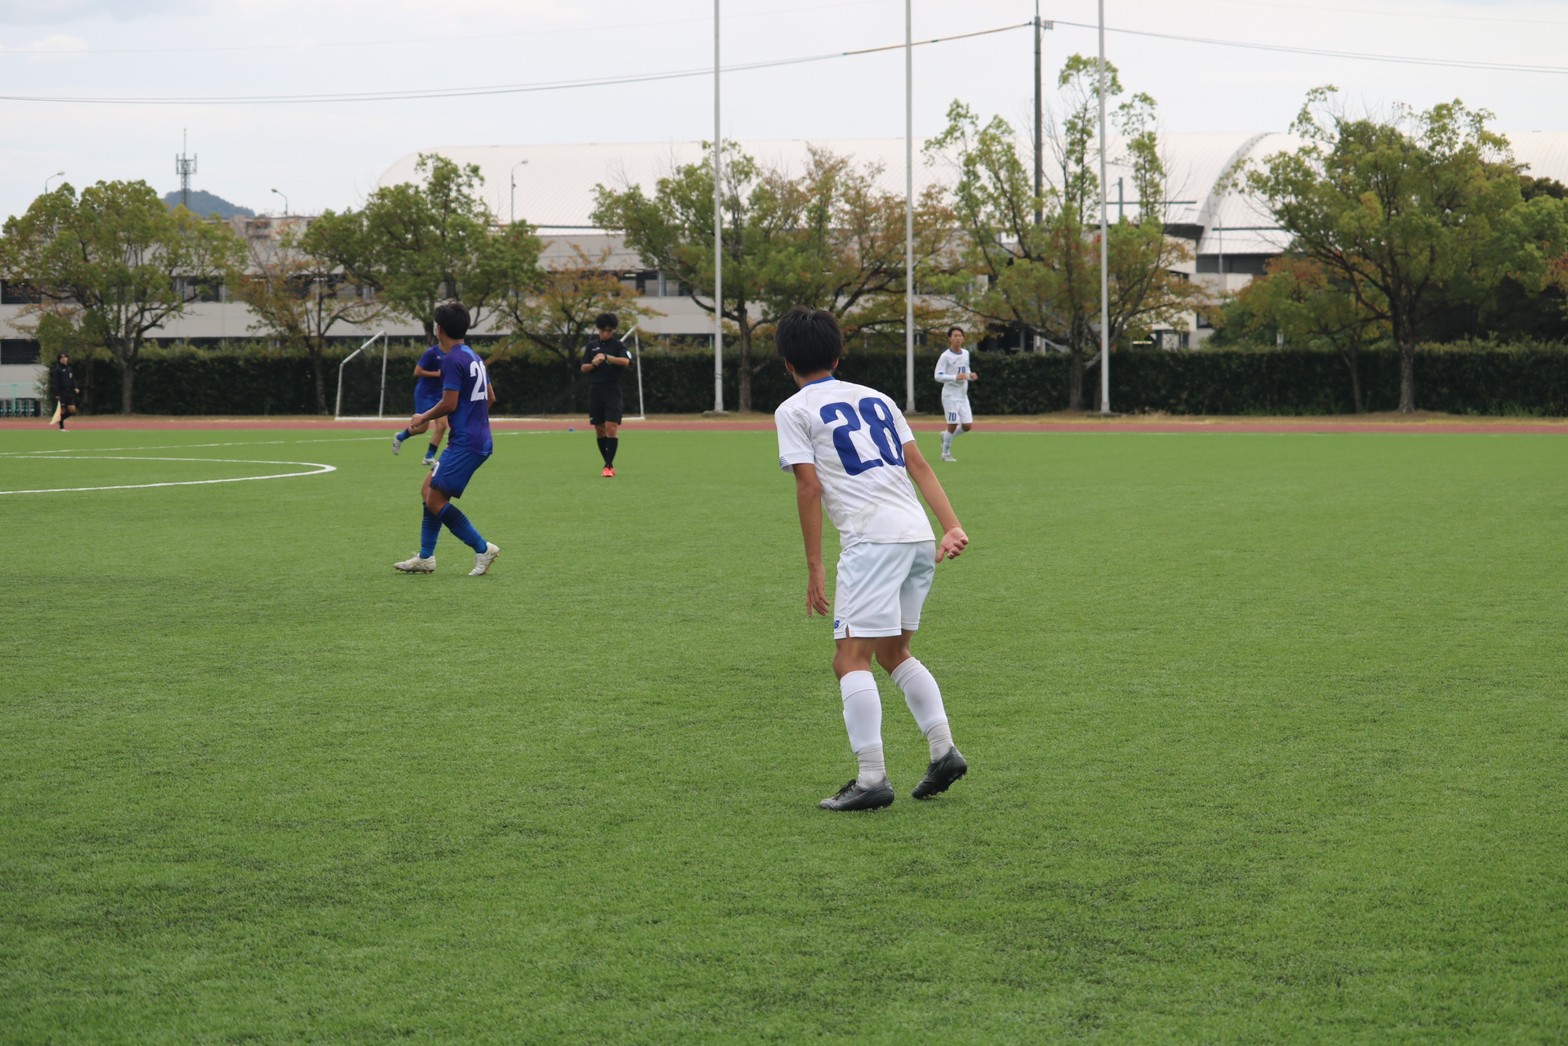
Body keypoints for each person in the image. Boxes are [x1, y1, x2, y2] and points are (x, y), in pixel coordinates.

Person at [773, 305, 971, 812]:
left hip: (872, 541)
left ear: (787, 363)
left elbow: (808, 487)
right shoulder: (879, 398)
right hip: (916, 536)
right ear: (839, 357)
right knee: (893, 652)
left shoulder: (793, 410)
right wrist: (950, 525)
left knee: (849, 659)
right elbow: (919, 465)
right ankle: (943, 750)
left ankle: (871, 778)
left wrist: (815, 567)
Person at [393, 300, 501, 577]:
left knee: (435, 500)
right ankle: (425, 557)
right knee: (428, 491)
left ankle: (483, 548)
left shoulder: (452, 359)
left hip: (467, 442)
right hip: (475, 438)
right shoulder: (474, 356)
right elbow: (490, 397)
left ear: (439, 329)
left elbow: (449, 403)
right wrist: (472, 419)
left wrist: (423, 417)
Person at [580, 312, 631, 477]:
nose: (606, 333)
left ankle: (608, 466)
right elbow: (583, 368)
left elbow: (626, 361)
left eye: (609, 331)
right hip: (595, 390)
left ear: (613, 330)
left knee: (611, 427)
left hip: (612, 390)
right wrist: (594, 363)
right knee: (599, 429)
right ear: (598, 329)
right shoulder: (591, 346)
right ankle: (608, 463)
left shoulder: (618, 345)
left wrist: (608, 357)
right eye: (603, 330)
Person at [391, 342, 448, 468]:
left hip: (440, 394)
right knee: (422, 428)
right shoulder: (431, 352)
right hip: (425, 394)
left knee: (443, 425)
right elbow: (417, 371)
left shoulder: (452, 353)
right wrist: (437, 374)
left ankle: (429, 456)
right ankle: (400, 436)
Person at [933, 326, 977, 462]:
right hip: (950, 396)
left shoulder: (966, 353)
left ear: (963, 339)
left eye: (960, 336)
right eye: (955, 336)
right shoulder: (945, 356)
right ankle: (945, 453)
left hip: (963, 396)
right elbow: (937, 376)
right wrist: (954, 377)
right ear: (950, 339)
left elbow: (965, 370)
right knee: (952, 424)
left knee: (967, 426)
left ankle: (946, 435)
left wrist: (970, 376)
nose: (958, 338)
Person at [51, 352, 80, 430]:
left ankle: (59, 420)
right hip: (62, 392)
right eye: (62, 358)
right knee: (63, 410)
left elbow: (72, 379)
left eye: (65, 357)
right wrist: (57, 393)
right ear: (59, 359)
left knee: (72, 410)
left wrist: (75, 387)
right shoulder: (57, 370)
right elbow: (56, 382)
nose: (64, 359)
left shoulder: (69, 369)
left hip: (69, 392)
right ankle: (61, 427)